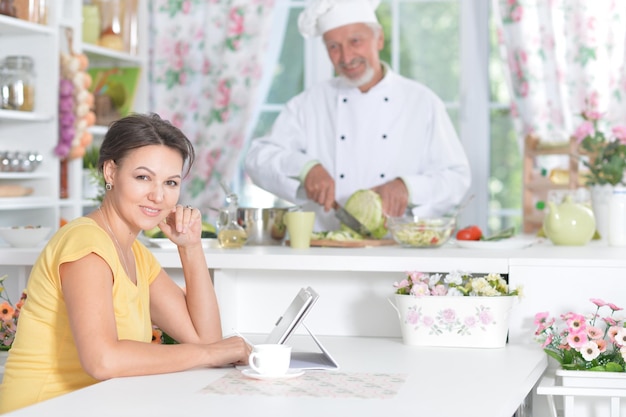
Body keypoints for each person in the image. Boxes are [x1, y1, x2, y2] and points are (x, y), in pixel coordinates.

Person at [0, 113, 250, 413]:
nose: (158, 195)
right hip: (43, 408)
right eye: (143, 177)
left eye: (170, 182)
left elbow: (205, 338)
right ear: (110, 172)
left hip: (93, 405)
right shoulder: (86, 246)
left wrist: (191, 246)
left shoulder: (135, 253)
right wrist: (210, 354)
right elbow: (102, 360)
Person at [245, 0, 471, 231]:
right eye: (333, 46)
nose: (346, 57)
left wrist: (409, 187)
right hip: (326, 247)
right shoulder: (309, 103)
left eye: (355, 41)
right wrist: (304, 168)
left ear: (379, 39)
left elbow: (457, 178)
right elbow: (257, 158)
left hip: (397, 249)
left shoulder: (422, 102)